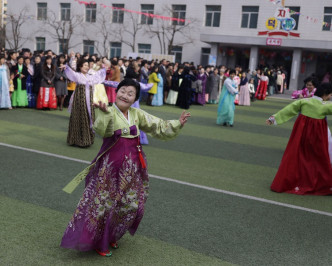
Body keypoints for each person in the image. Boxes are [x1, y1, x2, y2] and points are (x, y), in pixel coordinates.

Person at [60, 79, 190, 256]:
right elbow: (102, 131)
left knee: (129, 204)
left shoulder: (137, 114)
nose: (125, 95)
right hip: (110, 169)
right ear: (116, 92)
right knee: (104, 204)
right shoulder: (107, 110)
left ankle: (112, 234)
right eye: (123, 91)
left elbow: (156, 125)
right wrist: (104, 113)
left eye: (130, 93)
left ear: (135, 98)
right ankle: (99, 241)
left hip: (132, 170)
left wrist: (178, 123)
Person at [266, 83, 332, 195]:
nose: (330, 97)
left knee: (296, 156)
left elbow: (288, 110)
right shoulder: (325, 105)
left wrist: (273, 119)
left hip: (300, 135)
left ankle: (292, 181)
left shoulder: (304, 101)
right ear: (325, 94)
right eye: (330, 94)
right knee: (318, 158)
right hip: (317, 137)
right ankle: (319, 183)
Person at [65, 59, 107, 147]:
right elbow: (70, 73)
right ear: (80, 67)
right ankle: (76, 140)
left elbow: (99, 76)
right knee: (79, 117)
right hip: (80, 101)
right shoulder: (78, 76)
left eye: (87, 65)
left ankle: (87, 139)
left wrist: (103, 69)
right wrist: (66, 67)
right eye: (84, 65)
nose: (87, 67)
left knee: (89, 117)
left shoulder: (91, 76)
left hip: (90, 102)